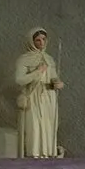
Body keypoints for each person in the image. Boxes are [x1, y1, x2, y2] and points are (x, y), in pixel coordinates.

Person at [14, 27, 64, 158]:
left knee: (48, 126)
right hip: (33, 97)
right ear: (31, 41)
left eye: (43, 39)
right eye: (37, 40)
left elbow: (53, 77)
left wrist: (57, 83)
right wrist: (37, 72)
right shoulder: (24, 59)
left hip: (48, 97)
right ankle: (34, 155)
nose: (41, 43)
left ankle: (48, 153)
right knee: (34, 127)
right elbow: (19, 80)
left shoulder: (49, 59)